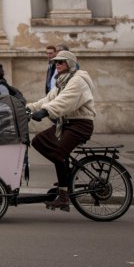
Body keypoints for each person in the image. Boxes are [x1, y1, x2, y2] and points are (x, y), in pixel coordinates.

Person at [26, 50, 95, 210]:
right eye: (55, 62)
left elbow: (65, 101)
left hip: (81, 124)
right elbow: (48, 99)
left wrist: (45, 112)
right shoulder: (63, 81)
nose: (56, 65)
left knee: (58, 154)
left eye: (60, 62)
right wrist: (28, 109)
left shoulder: (78, 81)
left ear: (70, 64)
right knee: (39, 141)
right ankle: (66, 175)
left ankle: (64, 196)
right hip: (66, 124)